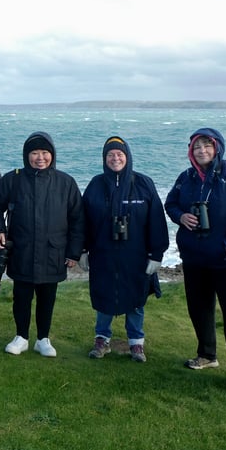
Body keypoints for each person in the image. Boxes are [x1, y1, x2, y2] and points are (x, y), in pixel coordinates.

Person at [164, 128, 226, 393]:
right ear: (191, 151)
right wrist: (181, 216)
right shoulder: (187, 177)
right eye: (197, 147)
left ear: (217, 147)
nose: (202, 151)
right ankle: (207, 355)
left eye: (207, 146)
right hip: (195, 257)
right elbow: (170, 203)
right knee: (199, 308)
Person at [0, 131, 84, 357]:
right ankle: (21, 337)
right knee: (21, 296)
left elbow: (78, 219)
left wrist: (74, 252)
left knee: (47, 297)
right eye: (34, 153)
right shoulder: (13, 179)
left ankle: (43, 339)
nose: (40, 158)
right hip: (21, 250)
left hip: (54, 251)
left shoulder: (66, 182)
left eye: (45, 153)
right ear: (26, 155)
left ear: (52, 155)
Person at [80, 136, 169, 362]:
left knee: (136, 299)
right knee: (104, 297)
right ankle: (102, 340)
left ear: (127, 157)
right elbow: (83, 220)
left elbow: (157, 220)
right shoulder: (95, 185)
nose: (115, 158)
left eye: (119, 154)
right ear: (104, 158)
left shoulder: (143, 183)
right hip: (103, 254)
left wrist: (156, 254)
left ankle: (136, 343)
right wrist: (81, 250)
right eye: (110, 155)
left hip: (136, 255)